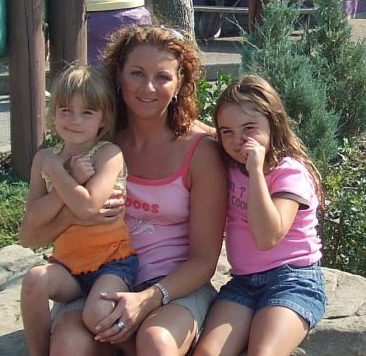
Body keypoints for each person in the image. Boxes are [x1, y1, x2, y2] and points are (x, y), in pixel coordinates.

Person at [18, 24, 228, 356]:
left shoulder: (201, 150)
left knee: (156, 342)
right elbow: (30, 237)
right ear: (118, 77)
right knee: (69, 346)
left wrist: (147, 299)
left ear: (180, 84)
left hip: (172, 287)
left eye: (162, 77)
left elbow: (204, 260)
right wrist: (77, 212)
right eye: (137, 73)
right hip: (96, 278)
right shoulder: (98, 143)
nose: (148, 87)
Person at [194, 75, 327, 356]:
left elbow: (268, 236)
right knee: (207, 352)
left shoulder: (289, 172)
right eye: (226, 131)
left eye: (249, 128)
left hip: (293, 280)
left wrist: (256, 171)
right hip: (244, 283)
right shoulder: (227, 163)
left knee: (262, 352)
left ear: (273, 123)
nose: (238, 139)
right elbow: (194, 130)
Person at [20, 64, 138, 356]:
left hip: (112, 264)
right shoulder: (45, 158)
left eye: (87, 112)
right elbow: (32, 221)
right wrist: (67, 176)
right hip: (67, 267)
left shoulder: (108, 154)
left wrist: (61, 175)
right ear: (53, 111)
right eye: (65, 110)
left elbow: (87, 206)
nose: (74, 120)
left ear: (103, 118)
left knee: (96, 313)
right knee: (34, 280)